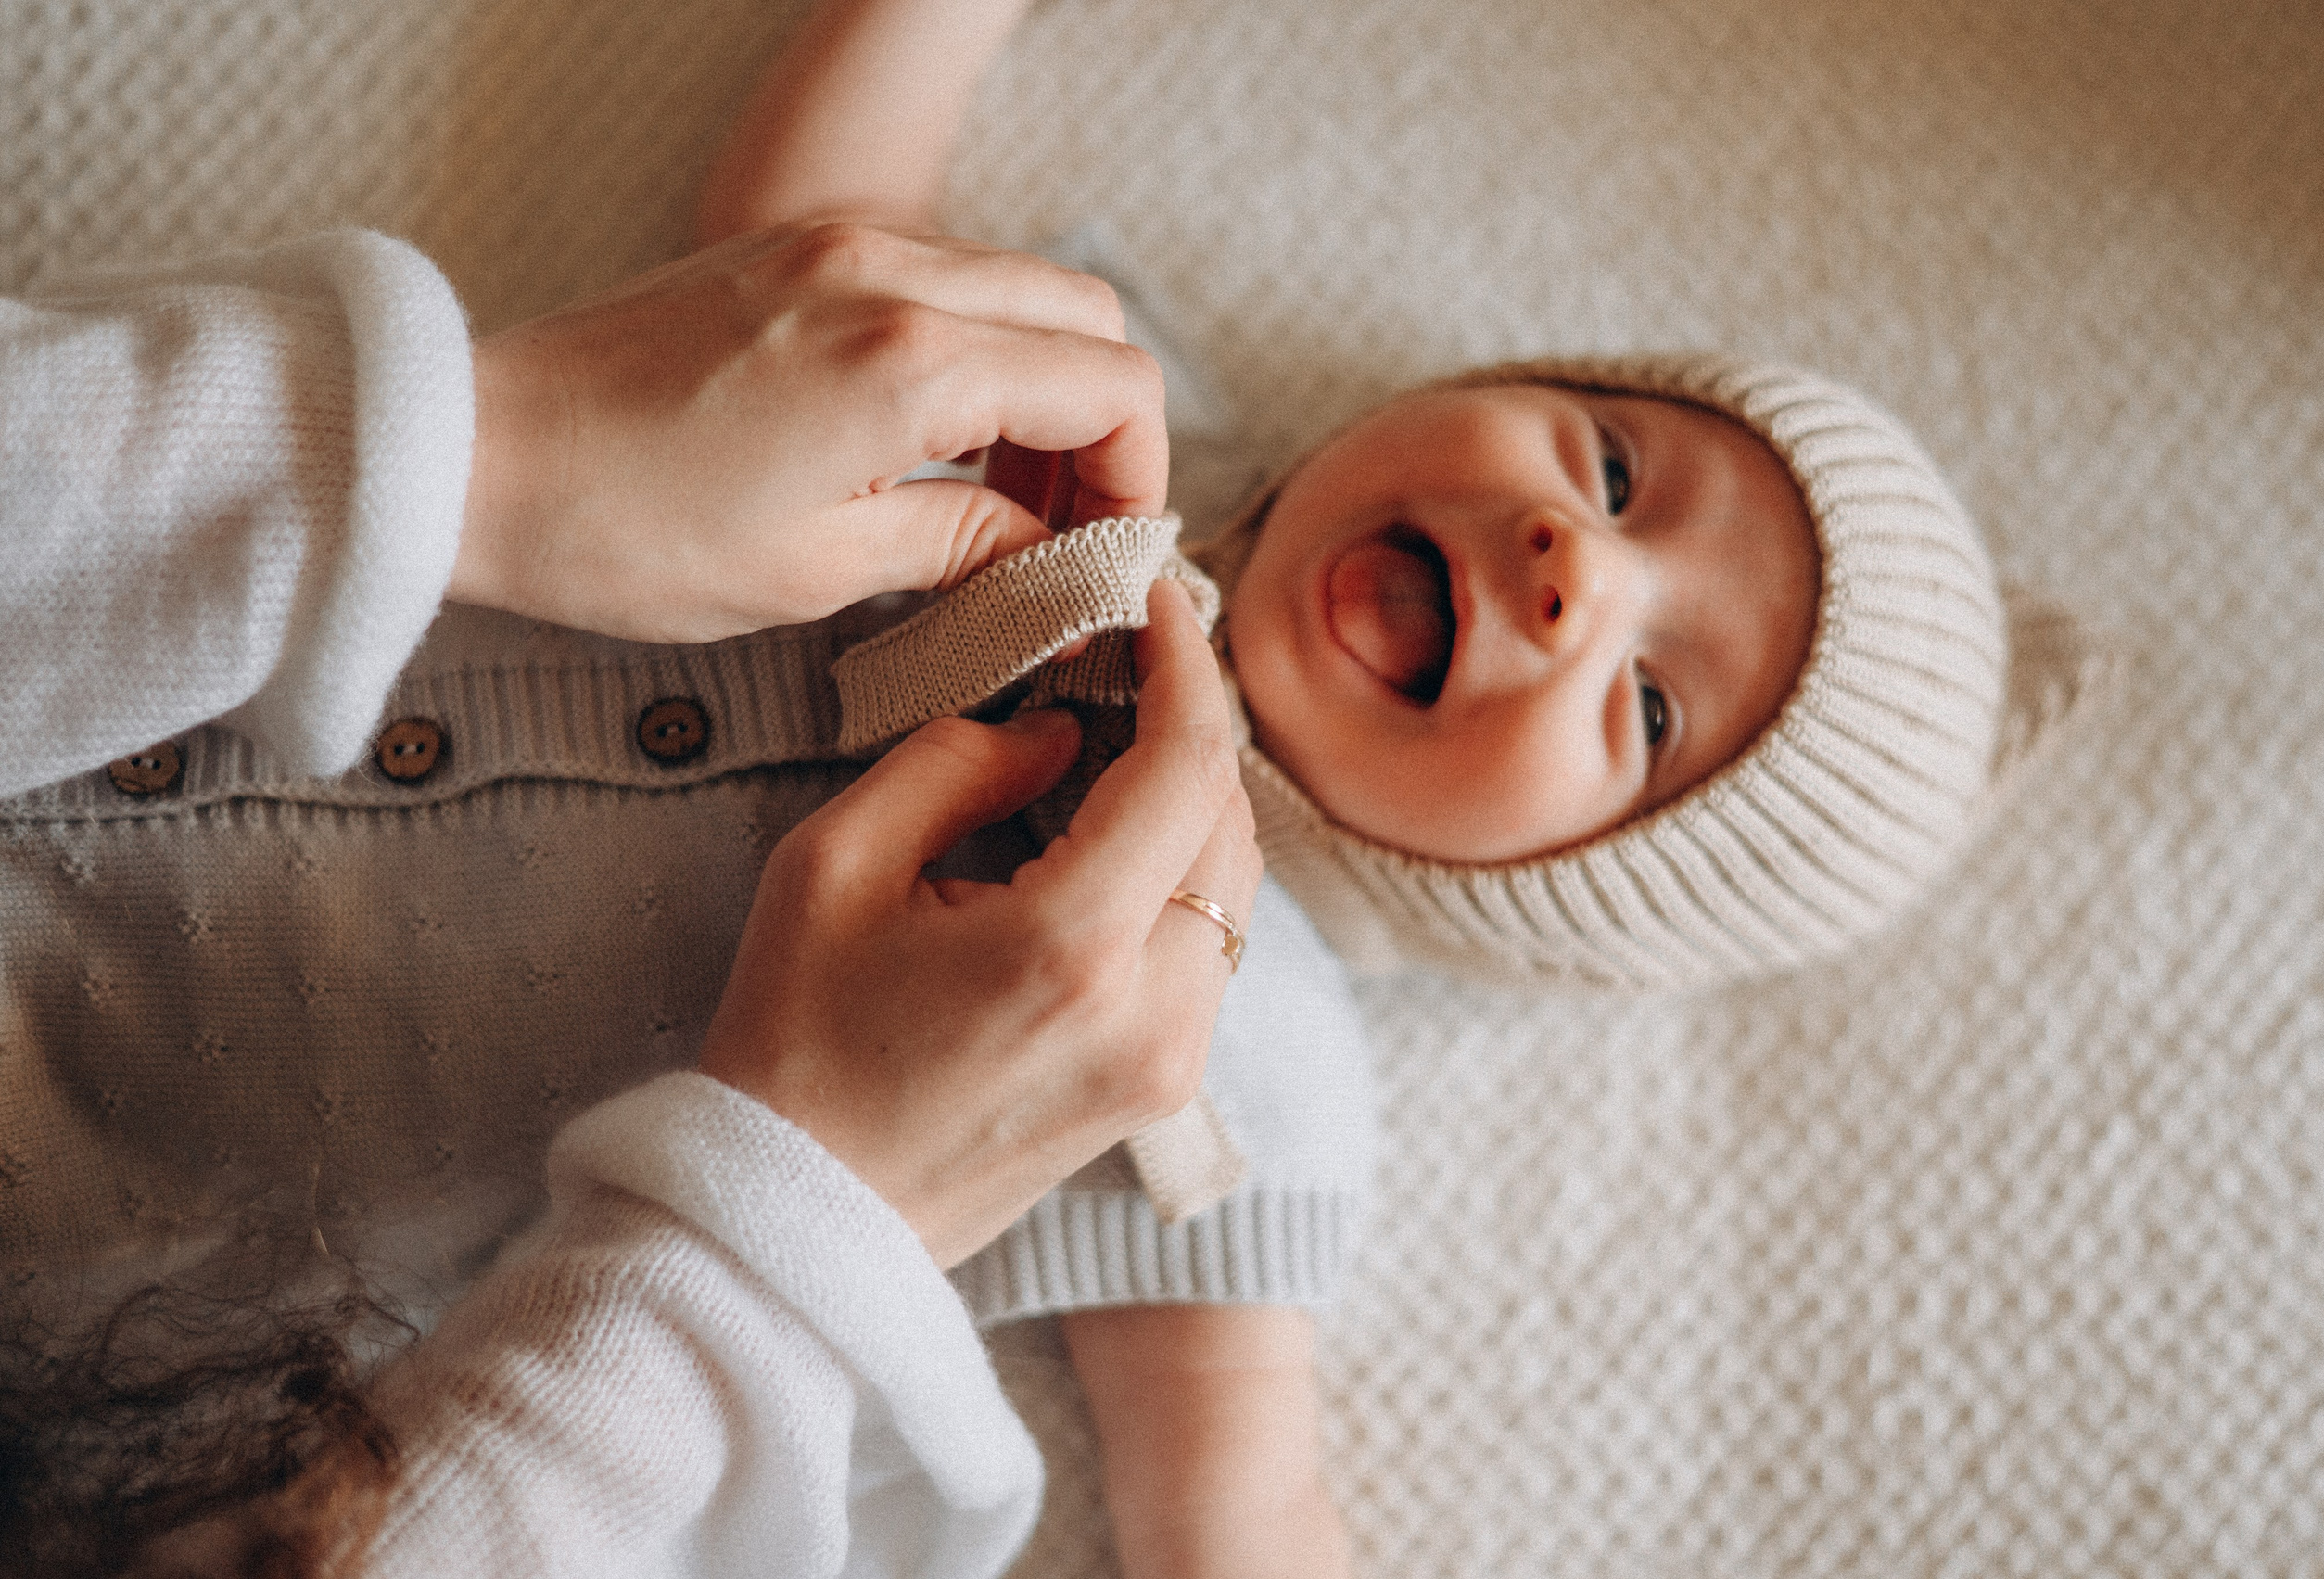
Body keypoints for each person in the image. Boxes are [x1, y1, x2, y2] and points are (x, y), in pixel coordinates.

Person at [694, 3, 2013, 1577]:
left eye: (1652, 709)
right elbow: (797, 275)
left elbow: (1233, 1520)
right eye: (1613, 471)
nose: (1576, 567)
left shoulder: (1238, 1060)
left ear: (1547, 894)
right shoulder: (1109, 415)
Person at [0, 191, 1263, 1576]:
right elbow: (814, 215)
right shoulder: (1064, 398)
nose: (1552, 553)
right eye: (1551, 424)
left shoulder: (1255, 1030)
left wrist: (791, 1239)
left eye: (1560, 796)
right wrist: (482, 447)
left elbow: (1234, 1521)